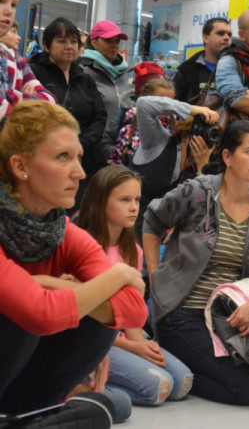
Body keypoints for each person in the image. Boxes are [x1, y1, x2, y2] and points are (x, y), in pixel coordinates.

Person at [0, 100, 147, 415]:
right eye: (63, 157)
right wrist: (117, 274)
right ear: (20, 166)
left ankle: (30, 414)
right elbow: (39, 314)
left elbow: (134, 311)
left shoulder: (61, 232)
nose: (80, 173)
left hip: (18, 385)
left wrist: (52, 285)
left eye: (79, 157)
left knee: (112, 402)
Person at [142, 120, 249, 405]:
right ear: (227, 157)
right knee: (247, 390)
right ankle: (177, 360)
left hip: (228, 315)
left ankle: (185, 366)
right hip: (183, 312)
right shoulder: (198, 192)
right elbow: (152, 219)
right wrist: (154, 274)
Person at [76, 166, 193, 413]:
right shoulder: (83, 246)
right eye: (124, 200)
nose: (134, 207)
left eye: (137, 200)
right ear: (100, 201)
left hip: (127, 335)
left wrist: (141, 345)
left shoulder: (133, 250)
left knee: (182, 382)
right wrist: (132, 347)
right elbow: (89, 320)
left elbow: (129, 312)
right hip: (98, 340)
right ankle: (87, 389)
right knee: (158, 387)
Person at [29, 17, 108, 209]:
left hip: (86, 160)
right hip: (49, 159)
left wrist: (82, 144)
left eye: (74, 41)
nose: (69, 46)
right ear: (47, 46)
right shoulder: (33, 73)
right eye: (62, 41)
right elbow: (32, 117)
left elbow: (100, 116)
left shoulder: (85, 78)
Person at [129, 94, 219, 239]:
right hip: (131, 226)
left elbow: (206, 207)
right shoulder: (158, 142)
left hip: (163, 234)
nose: (205, 146)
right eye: (199, 140)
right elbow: (143, 104)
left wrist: (203, 166)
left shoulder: (203, 164)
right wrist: (192, 109)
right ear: (185, 137)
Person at [0, 0, 56, 121]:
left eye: (13, 5)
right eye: (1, 1)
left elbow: (50, 102)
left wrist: (12, 96)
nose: (8, 11)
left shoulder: (16, 59)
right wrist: (27, 99)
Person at [79, 20, 131, 161]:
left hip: (118, 148)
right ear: (94, 42)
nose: (114, 46)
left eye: (117, 41)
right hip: (91, 151)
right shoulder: (83, 71)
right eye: (108, 41)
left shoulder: (123, 73)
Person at [109, 67, 176, 167]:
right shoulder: (129, 129)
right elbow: (116, 160)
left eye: (169, 102)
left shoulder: (176, 130)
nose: (164, 106)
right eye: (159, 101)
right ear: (144, 101)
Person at [173, 18, 232, 103]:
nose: (227, 37)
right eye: (220, 33)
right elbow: (174, 106)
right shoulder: (186, 72)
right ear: (206, 37)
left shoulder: (238, 68)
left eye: (229, 35)